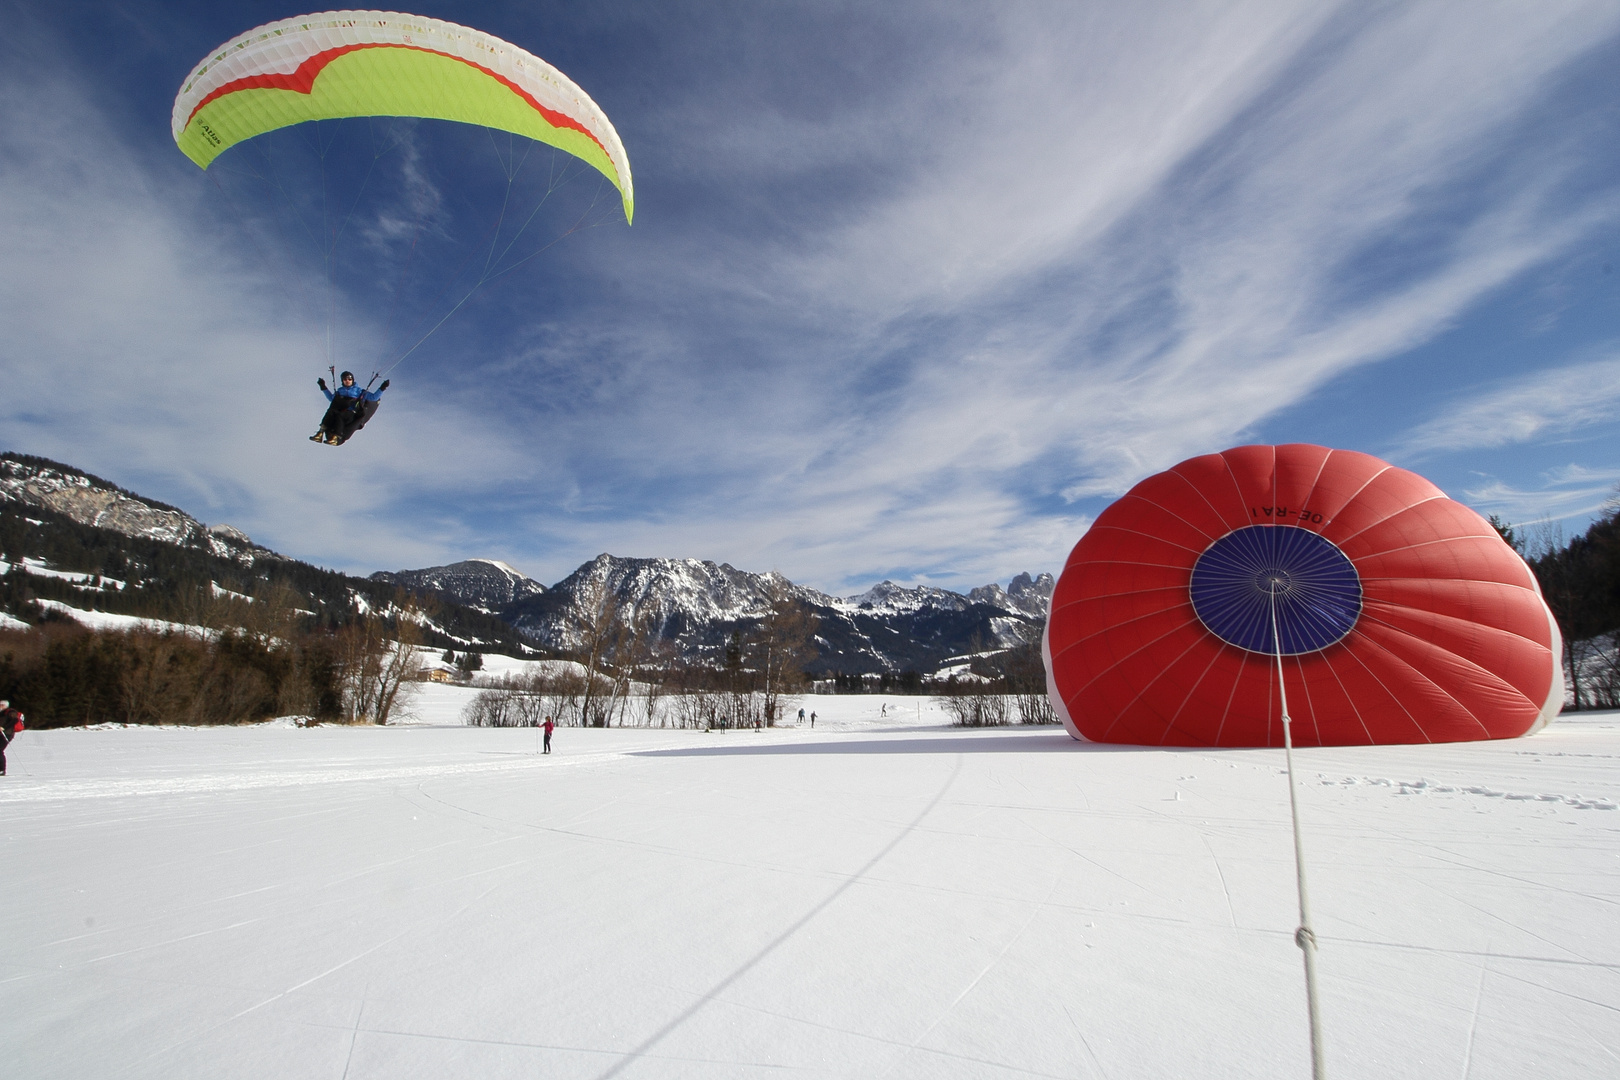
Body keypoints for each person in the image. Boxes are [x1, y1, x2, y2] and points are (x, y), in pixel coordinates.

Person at [311, 371, 389, 445]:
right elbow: (332, 399)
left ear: (352, 380)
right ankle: (320, 432)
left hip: (352, 413)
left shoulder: (359, 391)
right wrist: (323, 387)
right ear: (342, 381)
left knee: (340, 415)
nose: (347, 381)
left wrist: (382, 388)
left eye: (349, 379)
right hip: (340, 410)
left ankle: (336, 437)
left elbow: (374, 397)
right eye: (345, 379)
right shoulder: (340, 391)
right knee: (331, 412)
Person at [0, 699, 22, 776]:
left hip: (7, 734)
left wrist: (4, 727)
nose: (1, 706)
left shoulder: (10, 712)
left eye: (2, 705)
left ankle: (1, 770)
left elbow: (15, 720)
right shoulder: (2, 713)